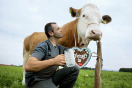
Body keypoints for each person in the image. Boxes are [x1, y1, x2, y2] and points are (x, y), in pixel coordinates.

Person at [25, 22, 80, 88]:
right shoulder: (43, 46)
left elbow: (73, 50)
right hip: (36, 80)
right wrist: (54, 61)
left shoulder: (59, 48)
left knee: (75, 68)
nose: (61, 30)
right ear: (51, 33)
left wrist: (82, 46)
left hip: (50, 77)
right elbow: (28, 66)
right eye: (58, 29)